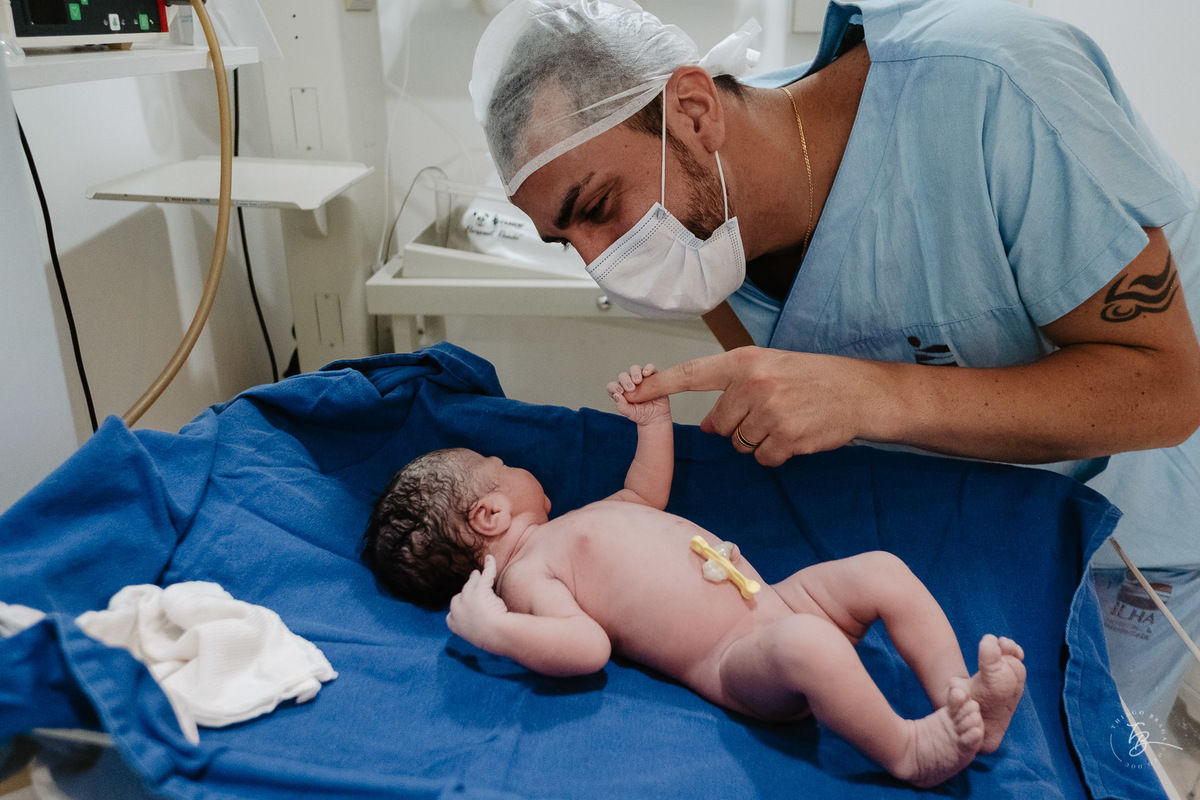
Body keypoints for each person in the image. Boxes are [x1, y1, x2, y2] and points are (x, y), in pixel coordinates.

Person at [467, 0, 1200, 571]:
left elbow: (1165, 392)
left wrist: (871, 395)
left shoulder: (992, 86)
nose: (602, 260)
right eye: (570, 243)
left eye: (596, 210)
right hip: (971, 535)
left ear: (693, 111)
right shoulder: (710, 247)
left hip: (1134, 533)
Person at [361, 365, 1027, 789]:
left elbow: (647, 493)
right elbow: (585, 647)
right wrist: (496, 630)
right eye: (497, 463)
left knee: (880, 571)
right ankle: (908, 750)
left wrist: (652, 424)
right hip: (741, 658)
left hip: (776, 597)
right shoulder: (529, 578)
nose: (511, 460)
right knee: (809, 645)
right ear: (490, 512)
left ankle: (957, 695)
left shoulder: (586, 519)